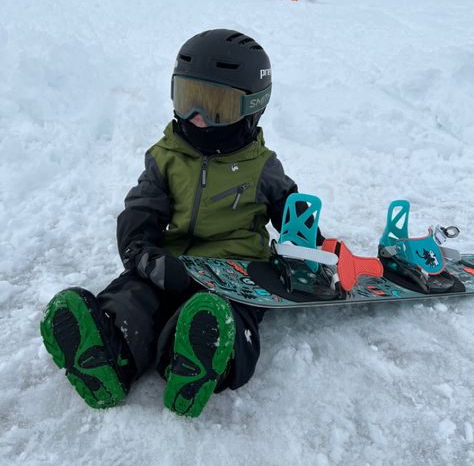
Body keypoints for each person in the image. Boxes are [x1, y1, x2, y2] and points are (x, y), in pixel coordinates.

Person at [40, 29, 322, 418]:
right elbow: (141, 210)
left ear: (252, 106)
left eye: (215, 108)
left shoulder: (262, 166)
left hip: (235, 271)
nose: (199, 120)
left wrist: (309, 246)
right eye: (190, 102)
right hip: (171, 263)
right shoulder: (165, 157)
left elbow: (291, 210)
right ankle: (108, 354)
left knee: (225, 313)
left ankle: (199, 360)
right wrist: (143, 256)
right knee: (133, 298)